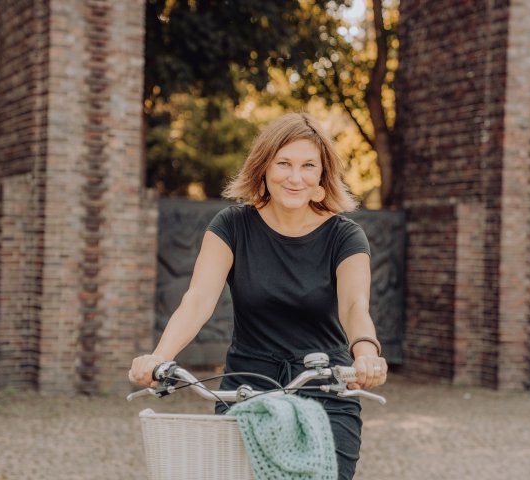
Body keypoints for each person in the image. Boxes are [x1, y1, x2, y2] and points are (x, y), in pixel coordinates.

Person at [129, 112, 388, 479]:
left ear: (322, 175)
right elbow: (198, 300)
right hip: (247, 385)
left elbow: (354, 306)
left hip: (326, 385)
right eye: (284, 163)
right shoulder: (232, 225)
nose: (295, 177)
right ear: (264, 167)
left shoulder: (344, 236)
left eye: (308, 166)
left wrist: (366, 355)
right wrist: (160, 357)